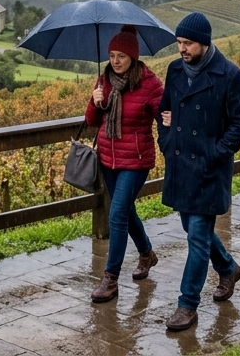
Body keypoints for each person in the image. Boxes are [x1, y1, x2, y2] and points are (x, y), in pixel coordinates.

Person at [157, 12, 240, 332]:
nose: (181, 49)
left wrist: (216, 152)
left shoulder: (230, 75)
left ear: (204, 42)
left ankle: (187, 305)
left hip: (209, 169)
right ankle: (227, 268)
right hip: (181, 164)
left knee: (197, 237)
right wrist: (167, 141)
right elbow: (165, 110)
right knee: (191, 227)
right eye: (179, 42)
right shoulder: (174, 70)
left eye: (187, 43)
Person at [85, 25, 165, 303]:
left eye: (121, 55)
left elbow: (164, 115)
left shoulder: (150, 83)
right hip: (108, 159)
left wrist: (169, 118)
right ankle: (146, 254)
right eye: (111, 55)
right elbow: (92, 120)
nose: (115, 61)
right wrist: (95, 102)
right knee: (126, 211)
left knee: (116, 214)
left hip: (137, 160)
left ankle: (110, 279)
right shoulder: (103, 80)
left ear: (133, 56)